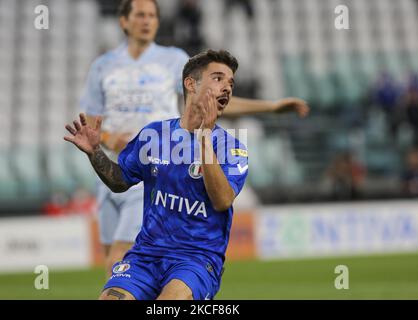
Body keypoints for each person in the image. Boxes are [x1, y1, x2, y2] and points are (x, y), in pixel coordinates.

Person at [80, 0, 309, 277]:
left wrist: (270, 107)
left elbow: (209, 100)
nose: (148, 21)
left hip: (162, 163)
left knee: (120, 257)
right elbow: (92, 121)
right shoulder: (102, 66)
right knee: (114, 262)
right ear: (124, 22)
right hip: (119, 163)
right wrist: (106, 138)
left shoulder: (174, 59)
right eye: (140, 15)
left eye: (153, 15)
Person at [67, 49, 249, 300]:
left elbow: (222, 200)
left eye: (230, 83)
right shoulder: (155, 135)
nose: (227, 88)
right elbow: (120, 181)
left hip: (195, 260)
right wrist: (95, 153)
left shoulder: (232, 147)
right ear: (190, 84)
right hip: (146, 256)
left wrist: (204, 136)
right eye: (218, 78)